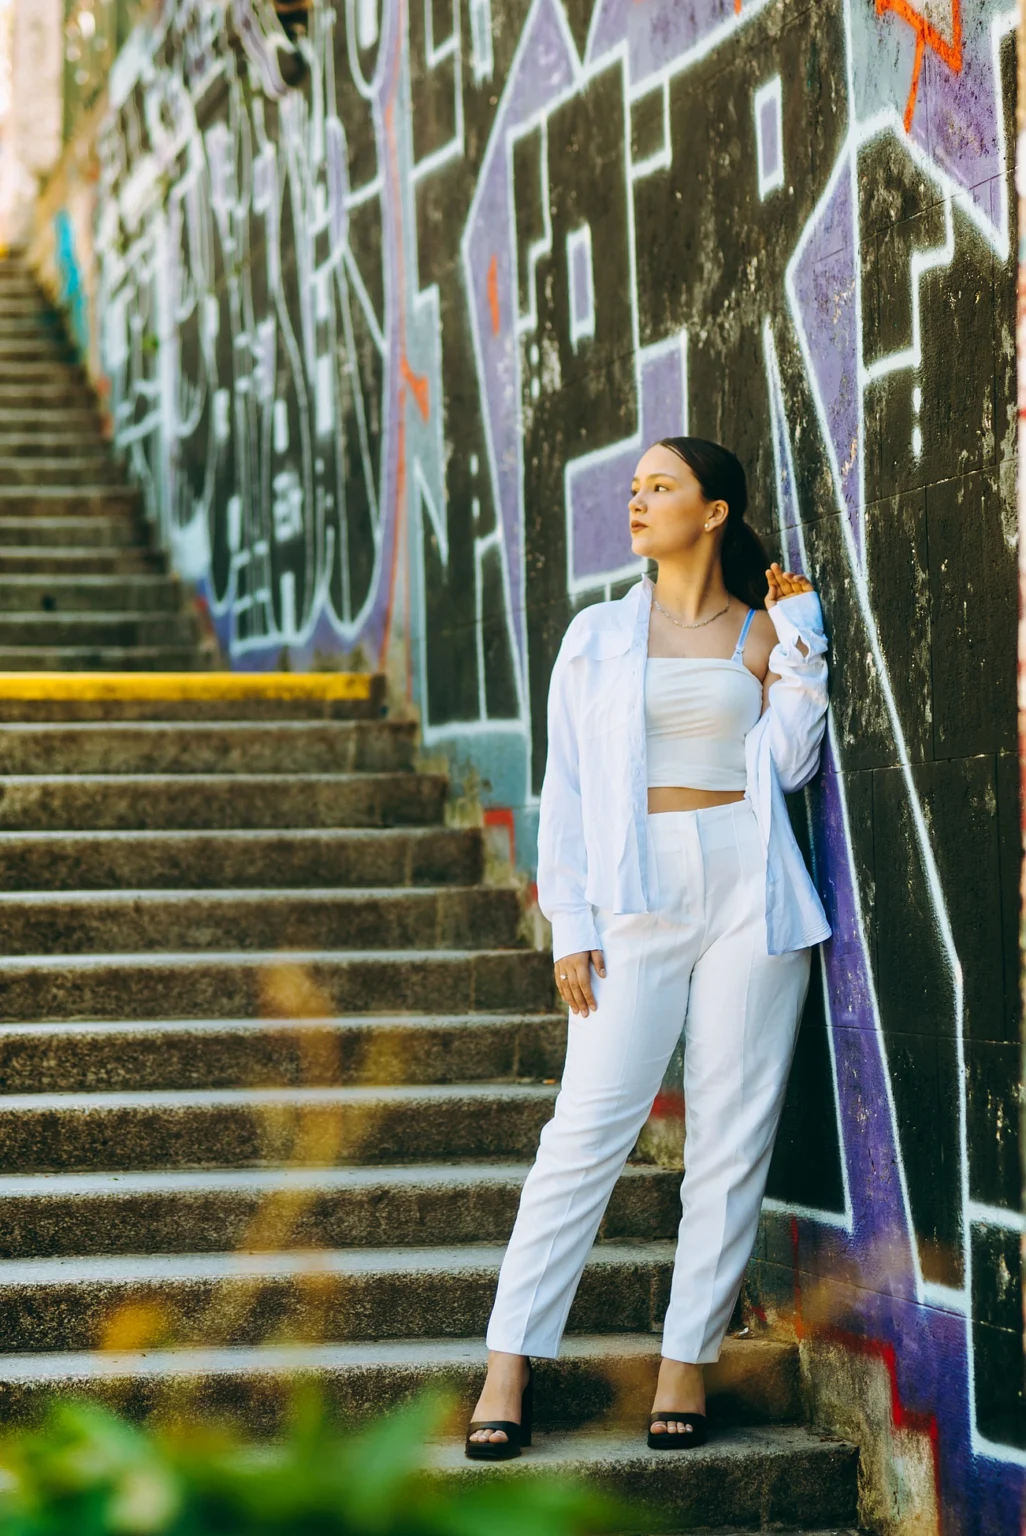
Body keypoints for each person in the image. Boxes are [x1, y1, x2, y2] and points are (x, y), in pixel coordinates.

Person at [465, 437, 831, 1460]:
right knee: (584, 1131)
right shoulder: (596, 637)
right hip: (635, 894)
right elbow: (566, 793)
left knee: (730, 1138)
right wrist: (566, 927)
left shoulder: (762, 632)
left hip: (749, 888)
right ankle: (509, 1363)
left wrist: (802, 635)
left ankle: (685, 1367)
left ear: (713, 511)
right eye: (632, 488)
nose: (638, 501)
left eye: (659, 487)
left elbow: (795, 765)